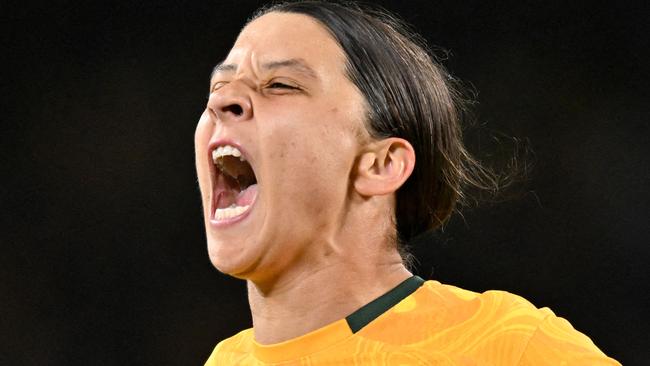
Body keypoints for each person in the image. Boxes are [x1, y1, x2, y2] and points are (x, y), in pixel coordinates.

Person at [194, 1, 620, 364]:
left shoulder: (507, 347)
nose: (220, 100)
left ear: (381, 165)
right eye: (220, 84)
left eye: (280, 84)